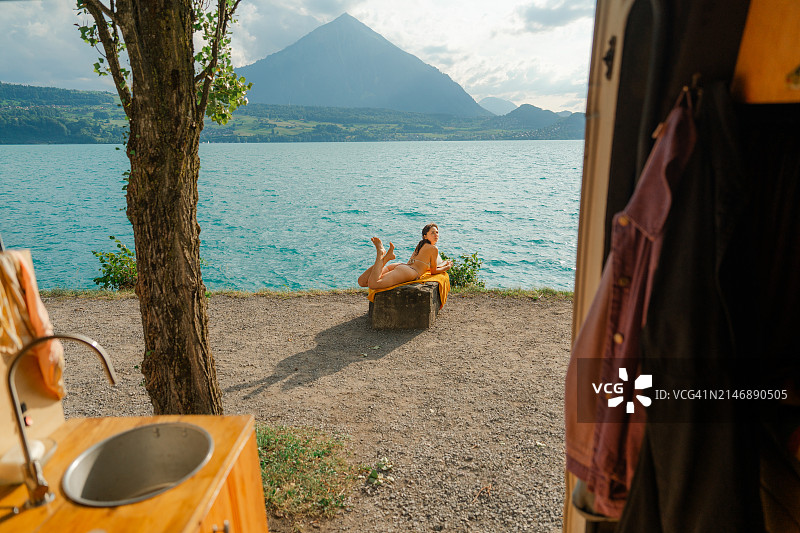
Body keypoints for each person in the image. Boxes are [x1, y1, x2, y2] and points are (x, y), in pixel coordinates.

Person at [358, 223, 453, 290]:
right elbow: (433, 271)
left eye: (437, 232)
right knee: (374, 283)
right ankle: (380, 253)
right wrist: (447, 267)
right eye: (432, 233)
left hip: (401, 266)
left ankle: (386, 259)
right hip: (410, 272)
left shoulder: (420, 244)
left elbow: (414, 262)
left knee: (362, 281)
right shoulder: (433, 248)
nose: (436, 235)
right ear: (425, 236)